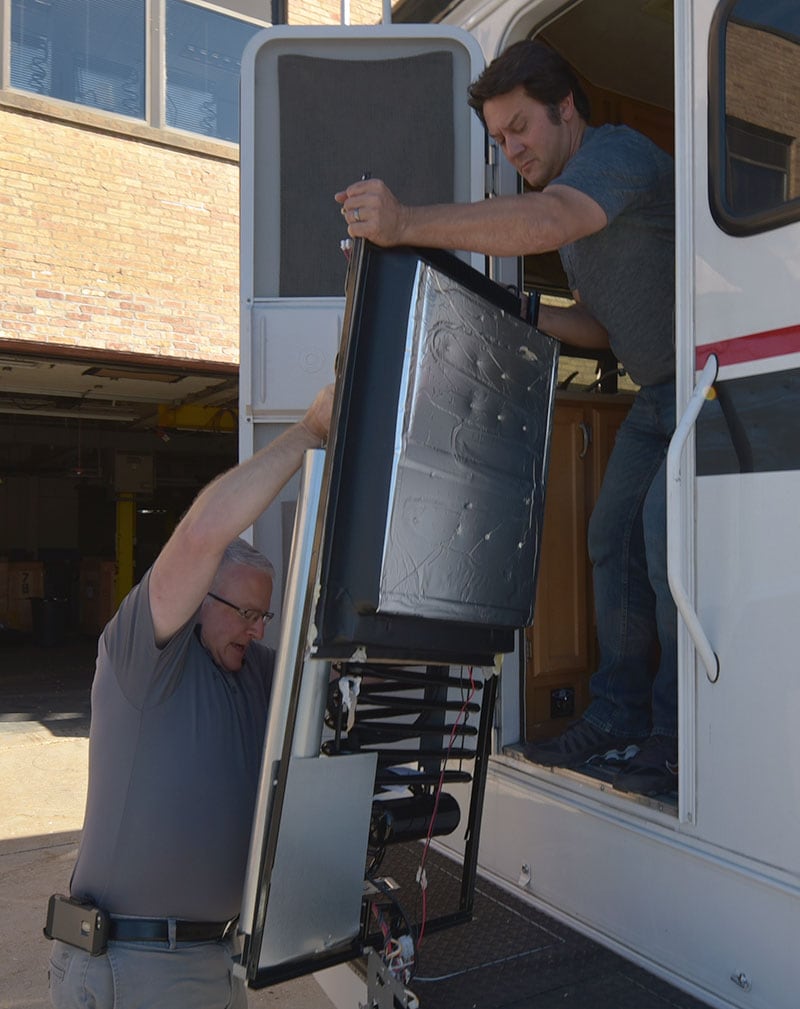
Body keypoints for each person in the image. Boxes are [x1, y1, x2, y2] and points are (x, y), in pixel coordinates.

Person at [335, 39, 677, 797]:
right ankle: (619, 719)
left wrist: (406, 224)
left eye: (521, 125)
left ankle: (677, 739)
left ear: (566, 111)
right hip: (659, 392)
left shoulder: (613, 159)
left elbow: (546, 222)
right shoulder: (572, 196)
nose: (511, 147)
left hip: (710, 379)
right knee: (611, 538)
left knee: (664, 539)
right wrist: (521, 311)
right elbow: (600, 324)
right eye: (498, 137)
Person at [46, 384, 333, 1009]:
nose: (259, 630)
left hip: (215, 962)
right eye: (247, 614)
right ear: (201, 596)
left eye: (266, 616)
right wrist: (310, 431)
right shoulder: (142, 656)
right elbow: (204, 533)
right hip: (131, 965)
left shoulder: (257, 673)